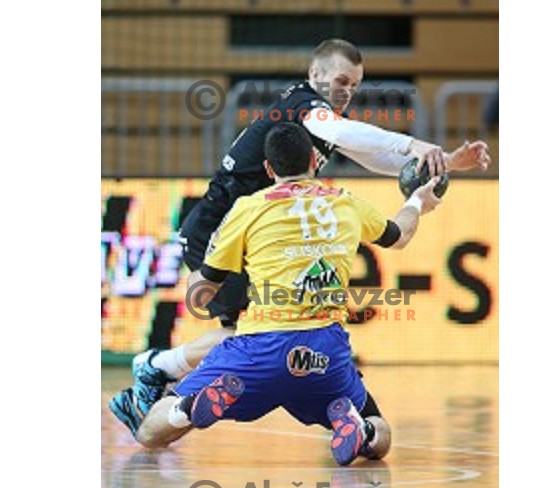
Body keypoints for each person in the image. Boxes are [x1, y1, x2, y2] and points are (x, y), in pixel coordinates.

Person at [109, 38, 490, 432]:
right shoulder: (306, 107)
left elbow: (371, 155)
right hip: (218, 230)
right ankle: (156, 370)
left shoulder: (323, 122)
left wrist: (442, 161)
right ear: (315, 75)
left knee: (247, 331)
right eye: (341, 81)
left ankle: (156, 379)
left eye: (355, 86)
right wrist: (416, 144)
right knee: (245, 332)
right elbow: (346, 133)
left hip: (253, 236)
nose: (347, 92)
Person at [113, 123, 446, 467]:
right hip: (324, 352)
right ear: (315, 161)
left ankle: (185, 408)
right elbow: (400, 234)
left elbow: (200, 293)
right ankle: (362, 432)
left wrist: (212, 264)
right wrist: (417, 200)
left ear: (269, 169)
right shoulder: (345, 203)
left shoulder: (249, 208)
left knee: (150, 435)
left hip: (258, 349)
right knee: (382, 430)